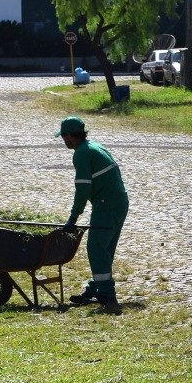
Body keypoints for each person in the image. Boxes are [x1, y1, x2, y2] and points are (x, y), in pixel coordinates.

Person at [59, 116, 129, 313]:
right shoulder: (94, 146)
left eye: (63, 136)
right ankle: (94, 289)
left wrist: (73, 218)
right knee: (105, 250)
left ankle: (108, 298)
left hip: (106, 206)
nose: (63, 141)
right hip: (119, 202)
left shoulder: (81, 154)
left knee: (96, 249)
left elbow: (82, 189)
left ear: (70, 136)